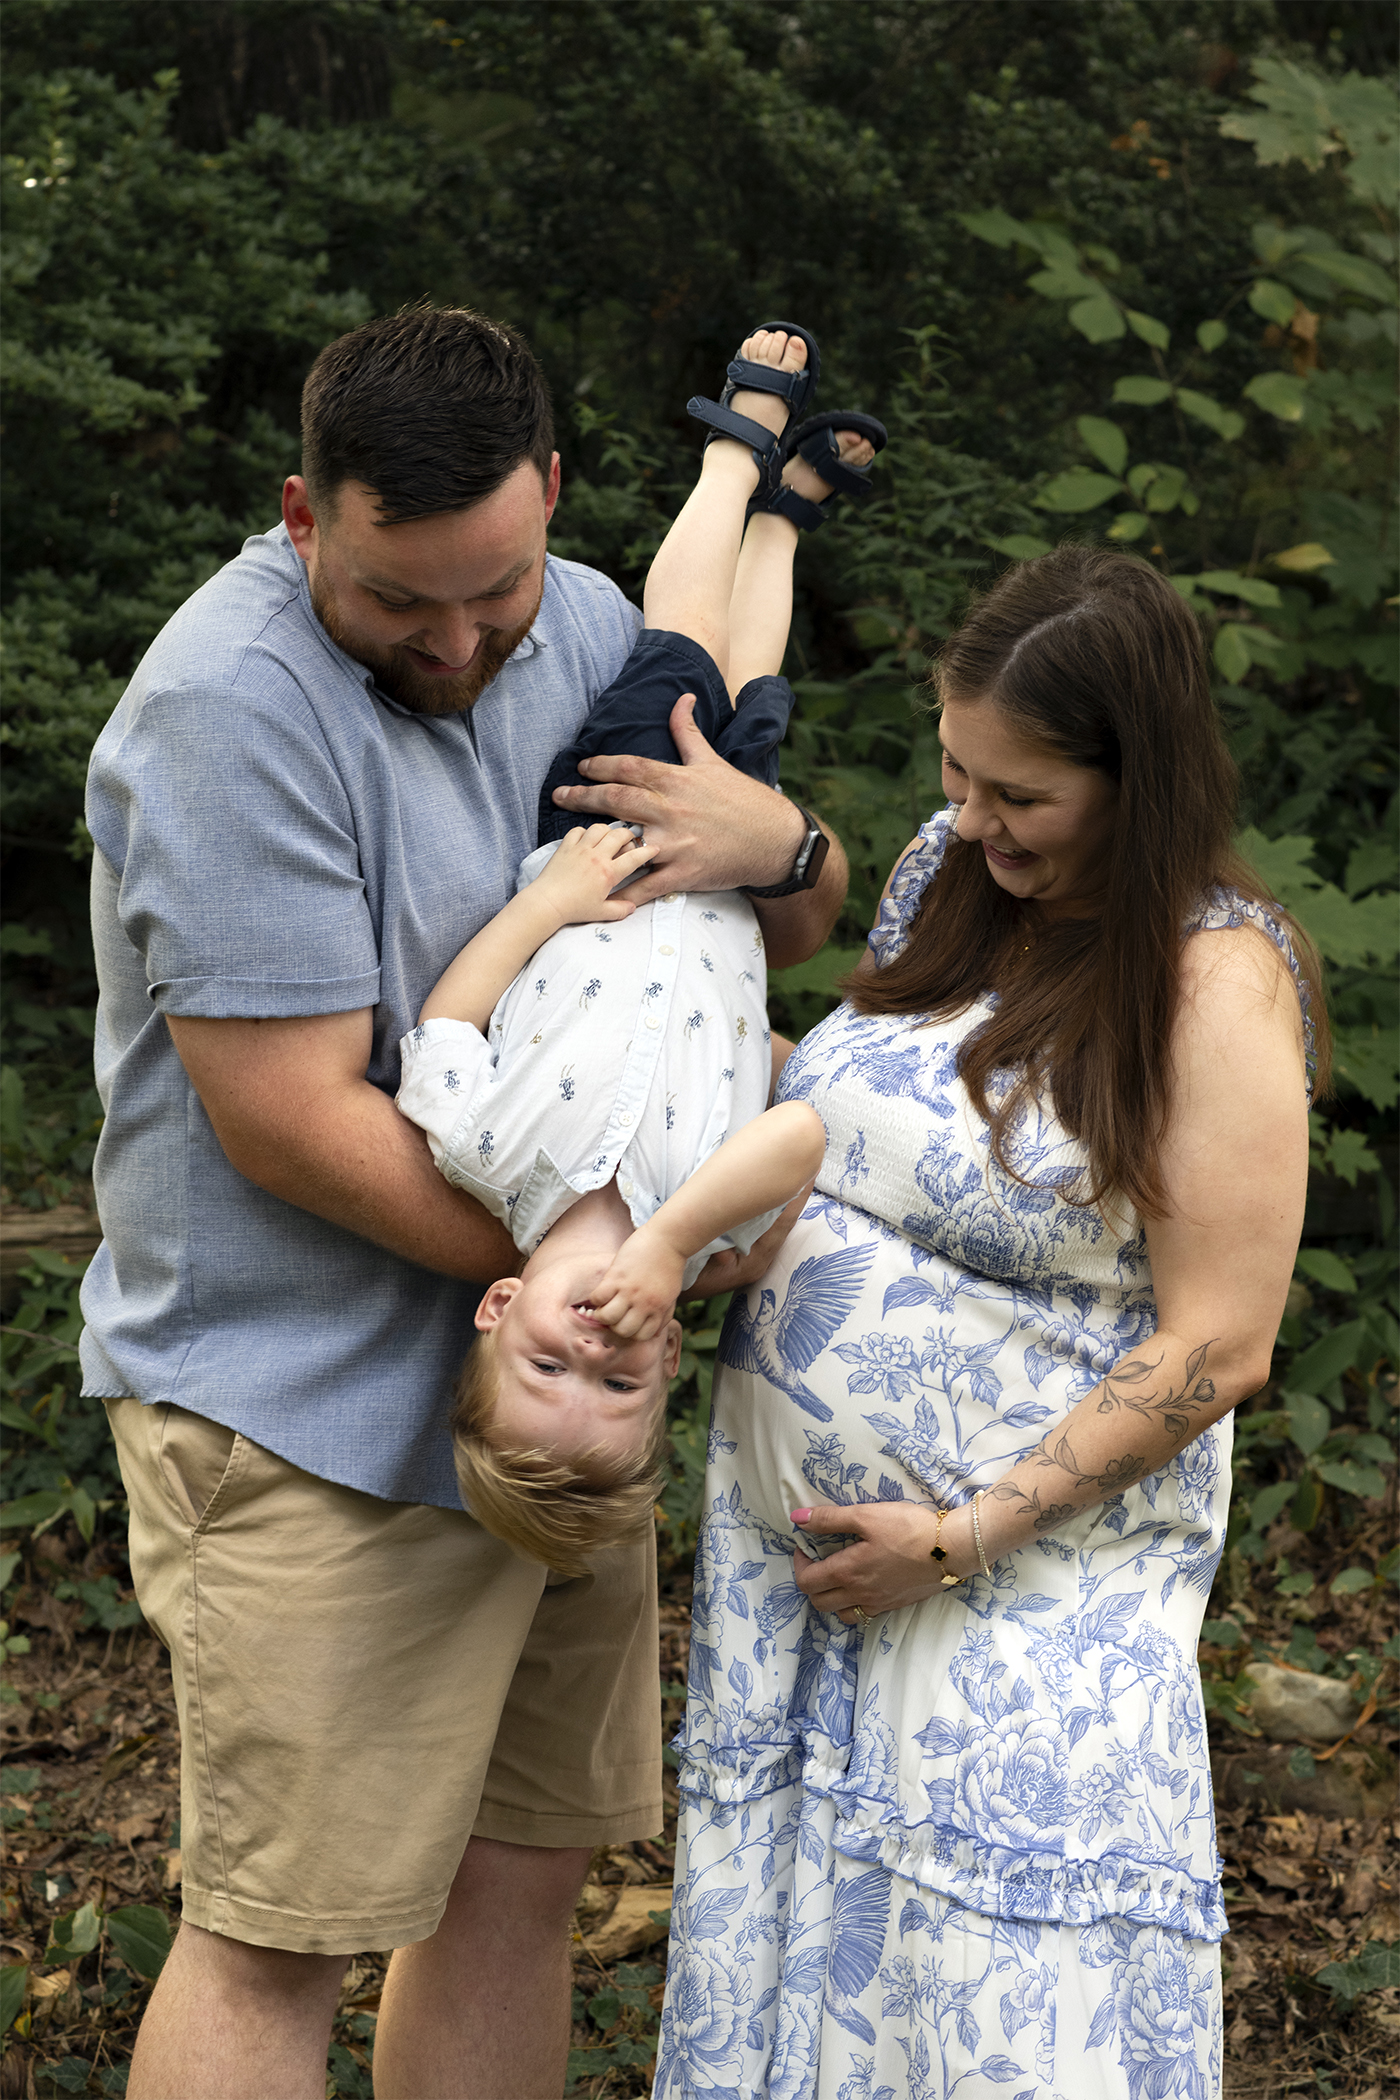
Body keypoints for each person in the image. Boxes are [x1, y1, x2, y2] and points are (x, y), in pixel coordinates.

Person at [80, 304, 848, 2100]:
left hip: (549, 1428)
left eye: (490, 590)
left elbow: (762, 918)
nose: (454, 641)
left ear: (553, 496)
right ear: (303, 516)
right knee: (281, 1935)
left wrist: (791, 847)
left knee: (518, 1890)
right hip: (311, 1421)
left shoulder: (583, 621)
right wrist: (623, 1266)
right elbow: (291, 1125)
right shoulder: (224, 711)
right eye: (395, 600)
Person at [655, 545, 1322, 2099]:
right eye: (957, 771)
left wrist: (957, 1537)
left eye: (1020, 793)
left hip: (1019, 1596)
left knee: (996, 2020)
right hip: (808, 1583)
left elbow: (1219, 1344)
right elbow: (864, 1125)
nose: (972, 818)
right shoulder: (946, 875)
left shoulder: (1214, 980)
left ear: (1137, 780)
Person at [395, 329, 879, 1567]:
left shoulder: (480, 1159)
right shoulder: (717, 1230)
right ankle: (784, 523)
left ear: (499, 1307)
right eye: (616, 1385)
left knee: (681, 650)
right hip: (722, 873)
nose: (591, 1349)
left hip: (608, 834)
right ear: (667, 1356)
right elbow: (802, 1128)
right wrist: (671, 1243)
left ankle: (735, 450)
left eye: (547, 1364)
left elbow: (445, 1021)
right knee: (752, 686)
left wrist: (547, 903)